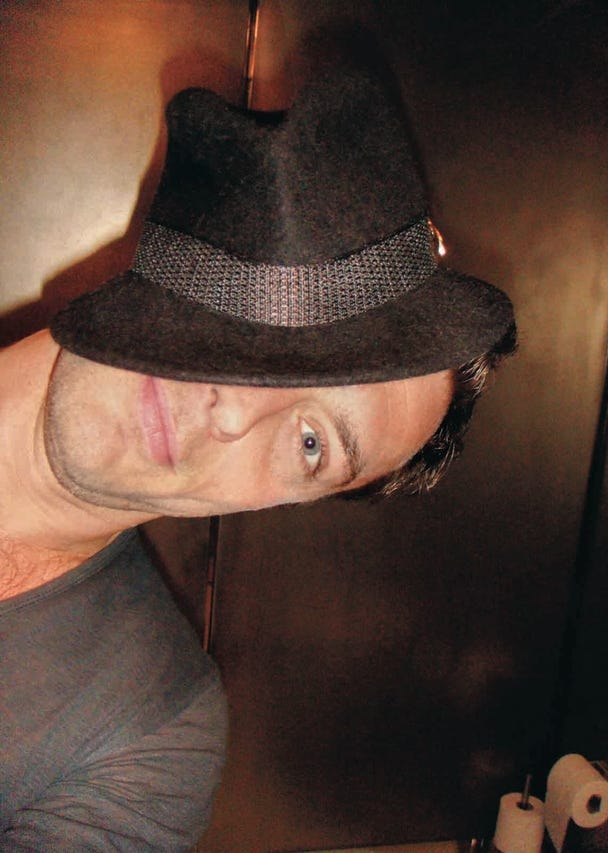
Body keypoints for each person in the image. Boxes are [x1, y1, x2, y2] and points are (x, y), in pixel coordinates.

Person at [0, 46, 515, 852]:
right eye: (270, 316)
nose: (236, 410)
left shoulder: (150, 731)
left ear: (287, 503)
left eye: (311, 443)